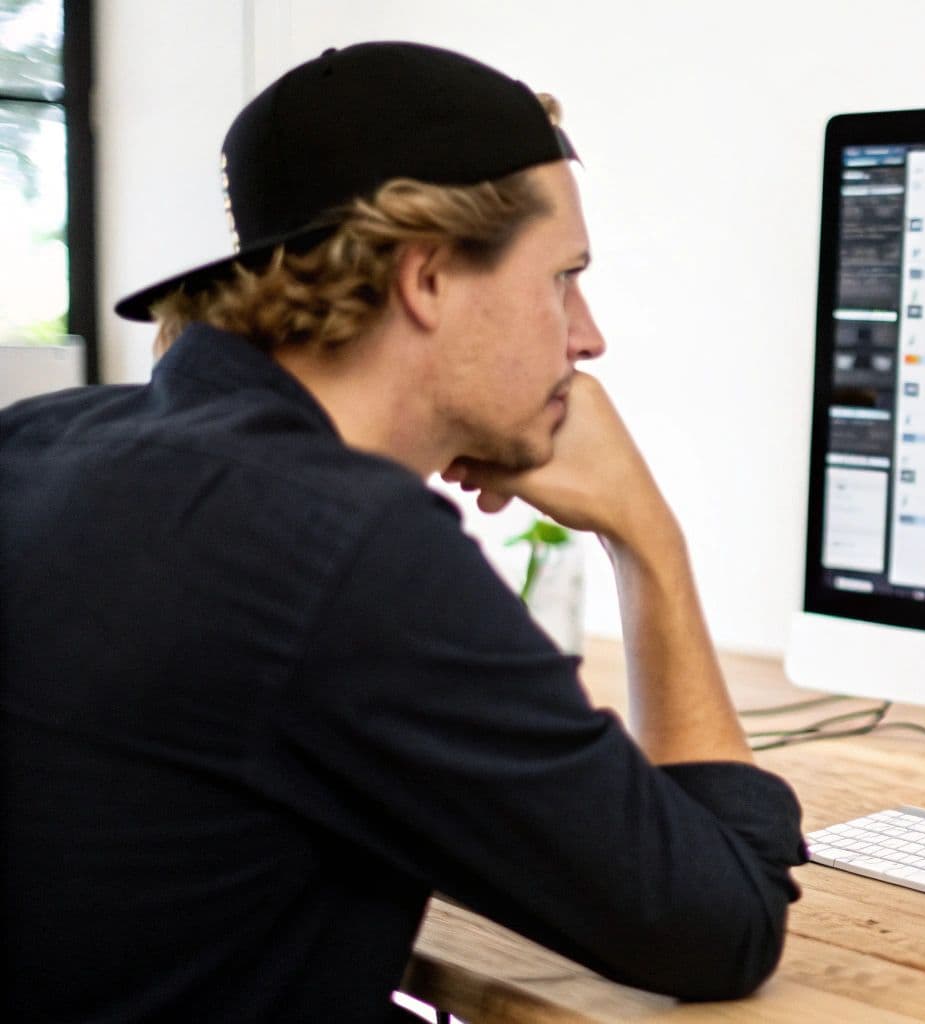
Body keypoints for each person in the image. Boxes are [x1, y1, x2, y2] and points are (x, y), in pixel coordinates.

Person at [0, 42, 805, 1021]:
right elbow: (721, 927)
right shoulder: (343, 546)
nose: (587, 336)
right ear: (426, 277)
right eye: (562, 278)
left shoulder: (39, 443)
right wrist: (648, 538)